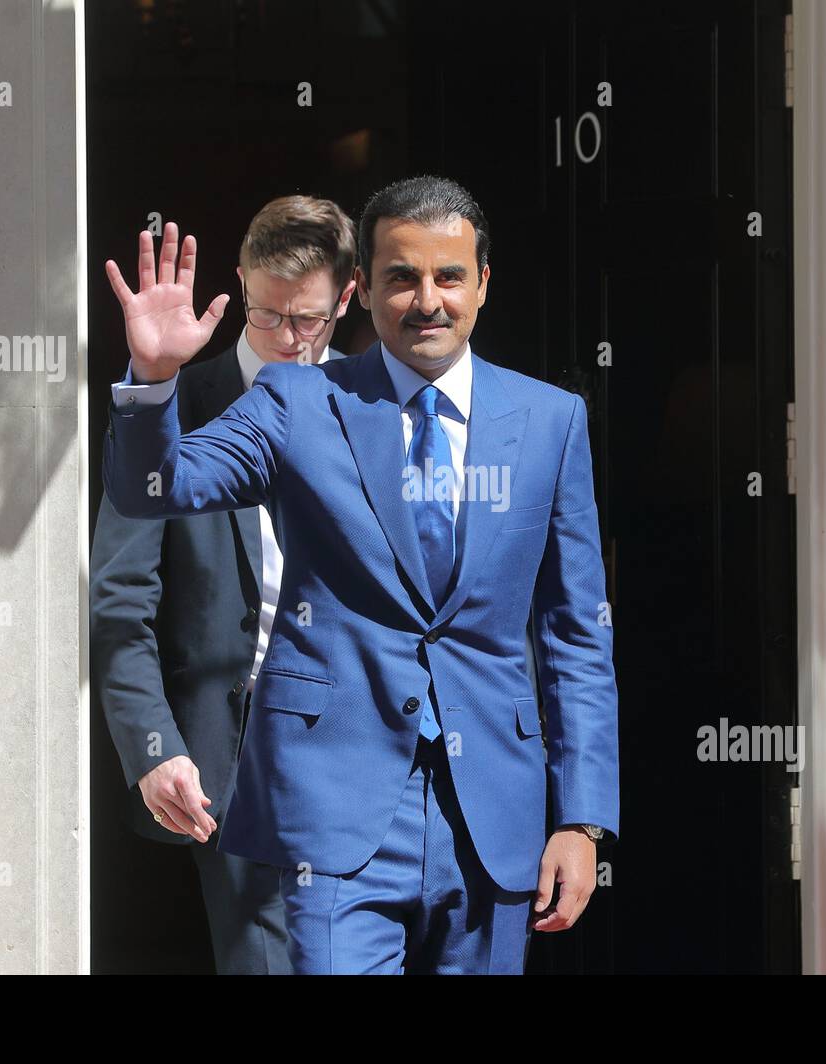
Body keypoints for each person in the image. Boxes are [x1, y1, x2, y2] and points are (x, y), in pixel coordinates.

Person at [102, 175, 619, 974]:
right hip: (336, 810)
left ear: (484, 281)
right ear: (366, 292)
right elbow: (158, 488)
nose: (427, 300)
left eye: (449, 276)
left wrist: (581, 820)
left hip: (493, 812)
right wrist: (154, 380)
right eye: (401, 278)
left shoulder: (551, 421)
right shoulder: (299, 399)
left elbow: (575, 632)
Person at [91, 195, 354, 974]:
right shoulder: (175, 406)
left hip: (369, 748)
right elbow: (120, 598)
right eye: (266, 314)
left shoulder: (379, 407)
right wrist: (153, 749)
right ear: (240, 284)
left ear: (346, 297)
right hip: (235, 762)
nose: (286, 340)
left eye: (307, 320)